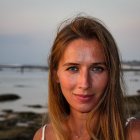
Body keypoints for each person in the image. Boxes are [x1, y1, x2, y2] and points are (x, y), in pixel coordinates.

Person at [33, 15, 140, 140]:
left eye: (97, 68)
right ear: (55, 75)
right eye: (73, 68)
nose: (84, 83)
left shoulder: (134, 134)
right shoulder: (43, 136)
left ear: (111, 74)